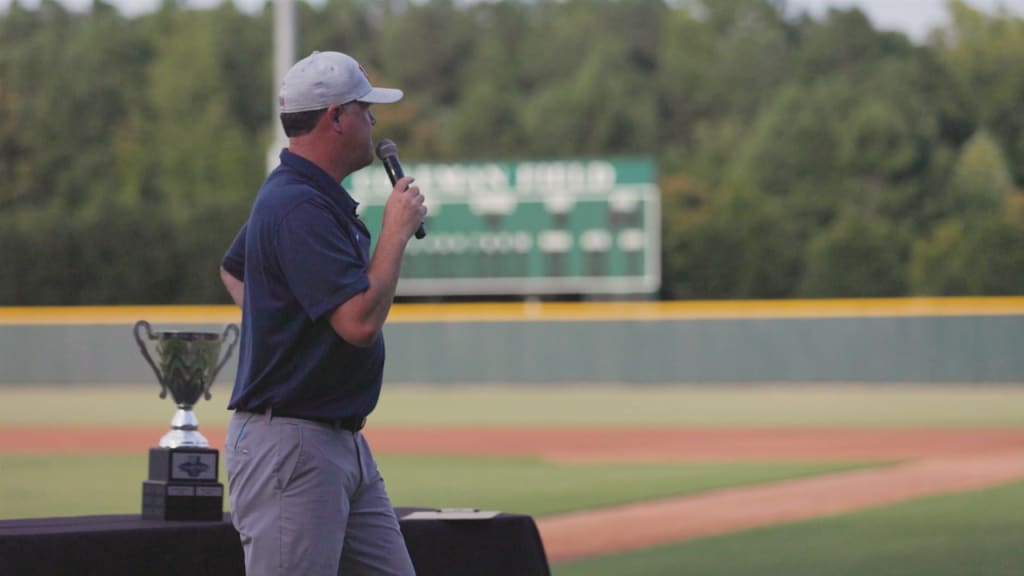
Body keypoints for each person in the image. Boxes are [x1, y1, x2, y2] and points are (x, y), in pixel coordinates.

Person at [218, 50, 425, 576]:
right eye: (364, 109)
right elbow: (358, 323)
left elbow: (235, 271)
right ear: (335, 117)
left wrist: (284, 326)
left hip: (337, 438)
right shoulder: (298, 204)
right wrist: (395, 232)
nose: (373, 121)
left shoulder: (304, 195)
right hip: (295, 444)